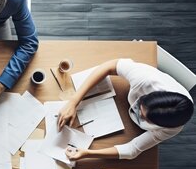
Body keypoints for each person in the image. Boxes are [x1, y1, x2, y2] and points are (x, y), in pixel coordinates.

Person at [57, 58, 194, 160]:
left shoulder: (172, 128)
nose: (138, 112)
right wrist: (73, 102)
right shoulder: (146, 78)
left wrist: (88, 153)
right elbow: (109, 66)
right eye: (141, 104)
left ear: (162, 125)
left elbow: (132, 149)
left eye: (144, 118)